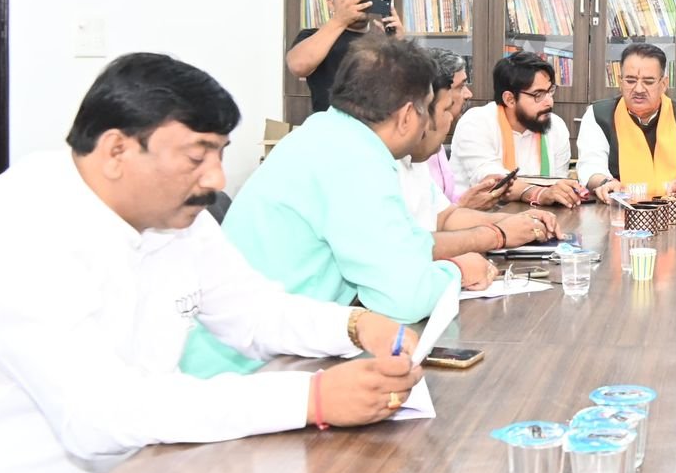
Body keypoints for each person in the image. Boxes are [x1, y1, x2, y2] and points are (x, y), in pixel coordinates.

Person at [0, 54, 424, 473]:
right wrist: (313, 399)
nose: (216, 178)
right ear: (117, 150)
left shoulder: (175, 217)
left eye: (220, 154)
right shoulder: (20, 230)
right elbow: (99, 413)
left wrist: (354, 325)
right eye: (197, 156)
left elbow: (251, 311)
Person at [182, 37, 497, 379]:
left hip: (266, 350)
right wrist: (456, 272)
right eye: (427, 110)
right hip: (247, 372)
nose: (427, 126)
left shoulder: (326, 133)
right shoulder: (356, 161)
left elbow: (402, 243)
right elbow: (404, 298)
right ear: (408, 116)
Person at [398, 48, 560, 257]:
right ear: (411, 114)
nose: (468, 94)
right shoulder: (379, 165)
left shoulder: (415, 157)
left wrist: (518, 220)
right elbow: (402, 249)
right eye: (446, 109)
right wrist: (498, 235)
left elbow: (445, 217)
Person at [575, 43, 676, 200]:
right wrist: (605, 183)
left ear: (663, 84)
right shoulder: (598, 116)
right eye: (630, 81)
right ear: (620, 82)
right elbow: (590, 166)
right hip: (615, 208)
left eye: (648, 82)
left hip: (673, 209)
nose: (639, 89)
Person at [450, 51, 586, 208]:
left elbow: (556, 185)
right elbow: (494, 183)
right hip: (478, 218)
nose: (549, 102)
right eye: (538, 94)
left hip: (536, 216)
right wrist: (539, 193)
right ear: (510, 99)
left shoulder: (556, 126)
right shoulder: (476, 123)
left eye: (550, 91)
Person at [286, 0, 404, 114]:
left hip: (375, 126)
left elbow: (408, 90)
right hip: (331, 126)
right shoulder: (313, 37)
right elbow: (298, 65)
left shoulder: (382, 41)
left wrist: (399, 45)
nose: (356, 2)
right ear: (331, 3)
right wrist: (340, 20)